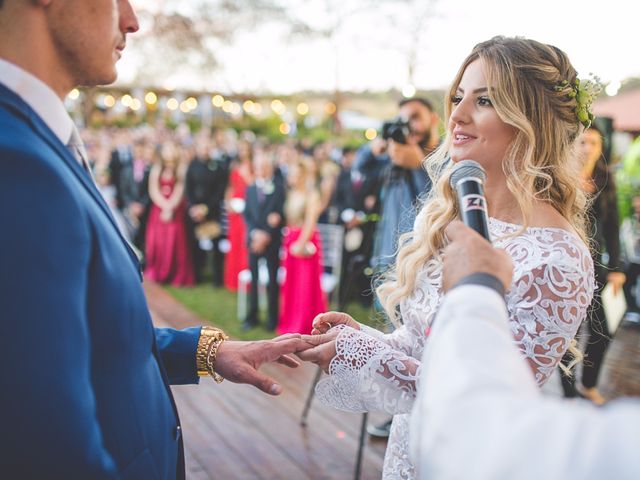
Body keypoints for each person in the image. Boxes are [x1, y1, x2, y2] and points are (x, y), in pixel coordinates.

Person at [0, 1, 311, 477]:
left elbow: (88, 337)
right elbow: (44, 440)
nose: (132, 20)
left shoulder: (34, 138)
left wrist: (207, 352)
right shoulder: (15, 165)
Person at [297, 36, 595, 479]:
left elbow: (484, 400)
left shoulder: (556, 257)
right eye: (457, 98)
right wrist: (365, 339)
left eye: (485, 100)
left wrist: (365, 357)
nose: (456, 115)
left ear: (531, 119)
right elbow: (426, 347)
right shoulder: (450, 217)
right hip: (408, 451)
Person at [410, 221, 640, 480]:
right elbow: (412, 339)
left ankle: (575, 390)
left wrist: (475, 289)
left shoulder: (560, 255)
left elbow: (478, 440)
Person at [560, 125, 625, 404]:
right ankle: (568, 393)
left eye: (594, 143)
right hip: (568, 266)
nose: (587, 148)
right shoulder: (561, 176)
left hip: (598, 267)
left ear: (601, 149)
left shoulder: (605, 179)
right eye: (583, 141)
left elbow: (612, 226)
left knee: (604, 329)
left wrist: (618, 268)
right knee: (568, 335)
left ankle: (588, 383)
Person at [277, 158, 328, 334]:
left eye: (296, 175)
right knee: (291, 285)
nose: (292, 178)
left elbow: (310, 222)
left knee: (305, 286)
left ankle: (305, 324)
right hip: (291, 239)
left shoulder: (312, 194)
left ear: (303, 176)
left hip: (305, 241)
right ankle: (290, 321)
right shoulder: (291, 193)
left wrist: (301, 243)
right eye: (291, 174)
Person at [243, 149, 286, 331]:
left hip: (271, 241)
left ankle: (272, 318)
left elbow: (281, 215)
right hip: (254, 241)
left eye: (265, 166)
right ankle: (251, 316)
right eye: (259, 166)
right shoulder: (251, 189)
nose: (262, 169)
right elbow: (247, 215)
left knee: (272, 281)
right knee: (253, 279)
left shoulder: (279, 187)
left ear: (271, 168)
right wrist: (254, 234)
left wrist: (267, 234)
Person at [144, 141, 195, 286]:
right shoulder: (157, 168)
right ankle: (158, 272)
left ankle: (175, 274)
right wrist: (164, 206)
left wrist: (170, 206)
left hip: (175, 210)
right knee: (158, 242)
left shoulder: (180, 169)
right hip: (159, 211)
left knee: (175, 242)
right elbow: (153, 190)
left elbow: (180, 190)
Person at [185, 134, 229, 286]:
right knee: (195, 245)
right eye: (202, 147)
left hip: (212, 211)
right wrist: (194, 207)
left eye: (207, 147)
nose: (205, 150)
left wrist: (206, 208)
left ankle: (217, 278)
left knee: (216, 244)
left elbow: (220, 190)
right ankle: (197, 275)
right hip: (194, 212)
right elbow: (188, 188)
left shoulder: (218, 166)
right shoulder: (192, 165)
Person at [223, 139, 253, 291]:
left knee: (244, 244)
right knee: (234, 243)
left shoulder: (253, 167)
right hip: (234, 210)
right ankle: (232, 279)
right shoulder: (234, 166)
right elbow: (230, 187)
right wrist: (228, 202)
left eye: (245, 149)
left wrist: (246, 174)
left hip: (247, 209)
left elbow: (253, 186)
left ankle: (245, 280)